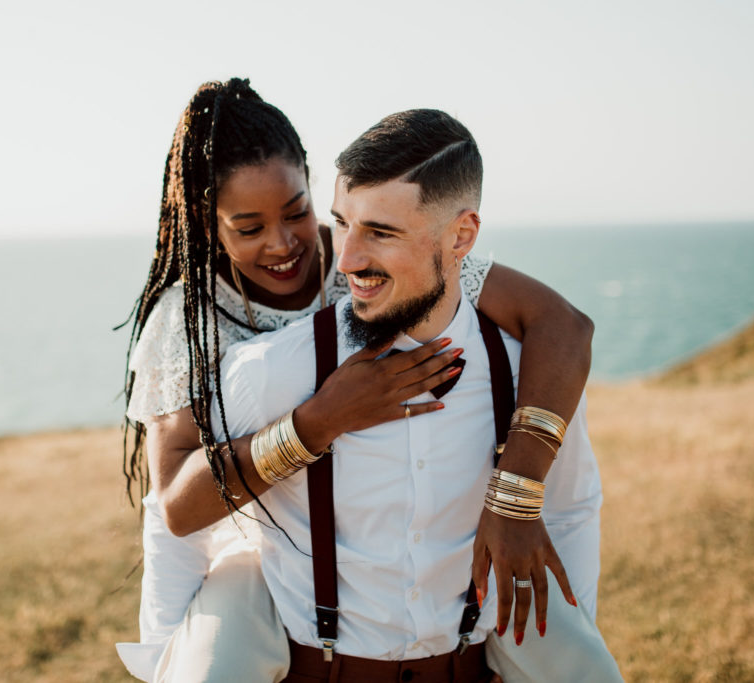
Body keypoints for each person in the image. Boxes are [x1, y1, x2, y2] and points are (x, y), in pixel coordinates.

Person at [115, 80, 606, 682]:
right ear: (206, 221)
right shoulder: (186, 323)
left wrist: (516, 492)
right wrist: (321, 420)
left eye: (297, 211)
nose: (284, 243)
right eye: (248, 228)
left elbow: (562, 324)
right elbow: (177, 505)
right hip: (260, 554)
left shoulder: (376, 258)